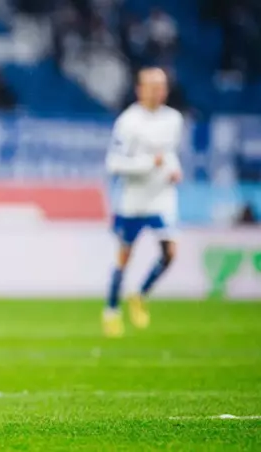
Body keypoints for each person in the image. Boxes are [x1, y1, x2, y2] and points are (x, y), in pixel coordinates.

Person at [103, 67, 183, 338]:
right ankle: (111, 310)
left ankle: (140, 295)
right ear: (140, 89)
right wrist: (150, 163)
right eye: (152, 86)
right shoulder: (128, 122)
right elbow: (114, 163)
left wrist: (174, 169)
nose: (158, 91)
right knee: (125, 256)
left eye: (162, 86)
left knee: (170, 252)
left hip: (162, 197)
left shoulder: (173, 119)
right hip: (133, 200)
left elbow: (169, 154)